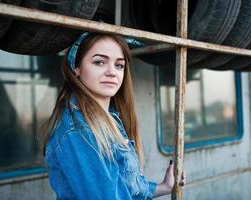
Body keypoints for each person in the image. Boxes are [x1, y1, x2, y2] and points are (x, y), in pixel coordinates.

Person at [42, 32, 186, 199]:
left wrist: (164, 187)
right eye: (99, 62)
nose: (112, 72)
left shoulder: (109, 118)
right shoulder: (80, 130)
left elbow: (127, 189)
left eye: (119, 65)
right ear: (77, 68)